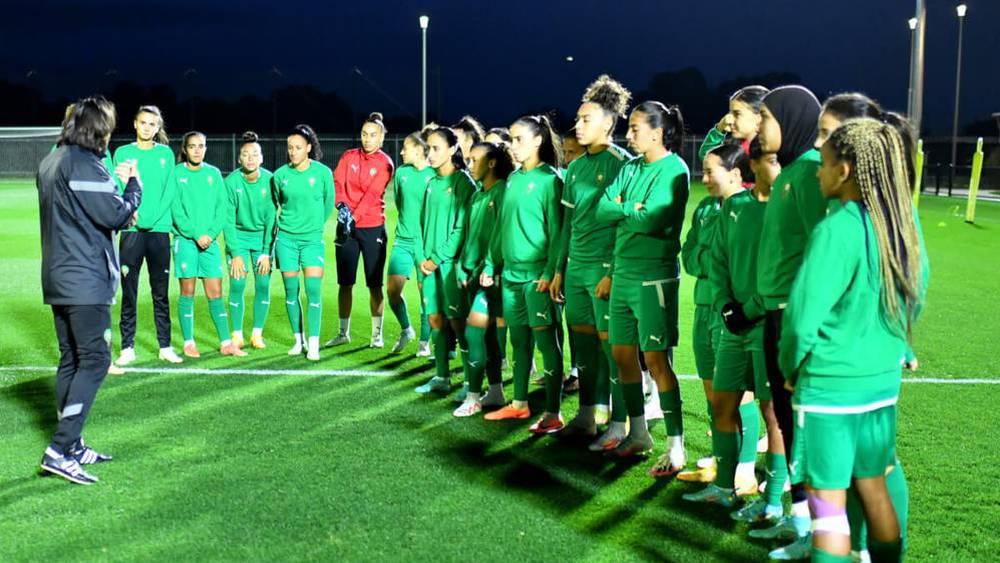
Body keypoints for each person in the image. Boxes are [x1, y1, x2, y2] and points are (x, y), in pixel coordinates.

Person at [782, 118, 927, 563]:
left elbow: (801, 319)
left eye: (824, 163)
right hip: (881, 385)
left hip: (831, 387)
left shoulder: (836, 229)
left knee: (828, 505)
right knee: (874, 485)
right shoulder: (900, 225)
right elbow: (916, 295)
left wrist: (791, 368)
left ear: (845, 172)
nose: (817, 172)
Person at [37, 96, 141, 484]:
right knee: (95, 361)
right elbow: (116, 214)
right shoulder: (84, 162)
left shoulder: (51, 161)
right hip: (85, 279)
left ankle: (73, 444)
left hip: (58, 276)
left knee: (71, 359)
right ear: (98, 129)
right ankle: (59, 449)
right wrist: (133, 185)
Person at [682, 143, 786, 510]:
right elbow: (719, 261)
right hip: (732, 325)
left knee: (773, 415)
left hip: (766, 325)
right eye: (768, 160)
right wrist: (726, 305)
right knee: (723, 404)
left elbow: (782, 270)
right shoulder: (734, 207)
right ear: (752, 165)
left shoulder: (786, 209)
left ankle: (772, 501)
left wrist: (751, 309)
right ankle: (724, 487)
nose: (775, 167)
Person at [595, 101, 689, 477]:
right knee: (622, 355)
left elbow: (652, 220)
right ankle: (638, 433)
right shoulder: (630, 167)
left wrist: (624, 210)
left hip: (654, 276)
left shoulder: (676, 169)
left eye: (635, 128)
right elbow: (602, 209)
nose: (628, 134)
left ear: (657, 132)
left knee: (656, 360)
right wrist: (630, 209)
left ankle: (676, 445)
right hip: (623, 274)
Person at [751, 84, 824, 559]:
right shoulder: (790, 172)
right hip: (776, 314)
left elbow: (824, 250)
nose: (760, 128)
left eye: (767, 119)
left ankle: (827, 532)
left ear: (792, 120)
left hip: (797, 317)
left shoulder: (813, 172)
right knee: (791, 426)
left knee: (808, 431)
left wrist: (805, 321)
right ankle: (803, 522)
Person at [549, 74, 632, 450]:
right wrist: (558, 269)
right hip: (576, 269)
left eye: (586, 119)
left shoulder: (623, 165)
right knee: (582, 347)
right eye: (578, 119)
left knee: (612, 350)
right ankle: (587, 416)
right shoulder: (576, 168)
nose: (578, 125)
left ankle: (619, 423)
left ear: (609, 123)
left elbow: (626, 225)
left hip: (603, 270)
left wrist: (613, 271)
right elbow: (567, 224)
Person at [481, 115, 565, 434]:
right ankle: (518, 404)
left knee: (547, 344)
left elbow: (558, 233)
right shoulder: (513, 180)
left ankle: (554, 413)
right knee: (518, 342)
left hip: (537, 278)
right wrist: (491, 264)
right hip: (511, 277)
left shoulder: (550, 180)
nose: (512, 146)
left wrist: (550, 271)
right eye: (511, 139)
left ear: (538, 141)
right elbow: (501, 227)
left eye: (518, 139)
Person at [113, 105, 183, 366]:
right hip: (131, 231)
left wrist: (151, 219)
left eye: (152, 124)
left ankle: (165, 346)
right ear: (135, 124)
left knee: (160, 293)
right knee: (129, 292)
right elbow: (119, 187)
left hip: (159, 231)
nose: (147, 127)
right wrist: (134, 215)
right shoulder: (123, 153)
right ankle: (127, 347)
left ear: (158, 127)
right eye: (143, 122)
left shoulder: (165, 153)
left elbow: (170, 191)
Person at [413, 127, 476, 394]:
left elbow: (462, 229)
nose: (431, 153)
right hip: (428, 266)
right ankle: (441, 377)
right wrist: (421, 258)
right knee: (435, 320)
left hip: (450, 267)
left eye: (436, 148)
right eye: (428, 148)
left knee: (459, 324)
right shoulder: (430, 183)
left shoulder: (463, 183)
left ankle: (470, 383)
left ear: (452, 149)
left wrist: (437, 258)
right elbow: (420, 224)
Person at [170, 132, 245, 358]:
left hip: (209, 243)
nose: (197, 150)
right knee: (188, 292)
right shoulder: (176, 173)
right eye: (192, 146)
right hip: (185, 241)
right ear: (185, 149)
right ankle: (189, 342)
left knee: (215, 293)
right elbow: (176, 209)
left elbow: (222, 210)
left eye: (201, 146)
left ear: (206, 148)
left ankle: (226, 343)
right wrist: (195, 234)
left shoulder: (213, 173)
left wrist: (210, 235)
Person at [453, 141, 512, 416]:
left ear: (491, 163)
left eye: (474, 159)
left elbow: (500, 237)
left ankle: (473, 396)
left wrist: (485, 268)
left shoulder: (502, 192)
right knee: (487, 336)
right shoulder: (478, 194)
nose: (469, 164)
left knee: (473, 332)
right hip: (472, 274)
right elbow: (468, 235)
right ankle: (496, 391)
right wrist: (460, 266)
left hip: (491, 277)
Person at [327, 112, 395, 348]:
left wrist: (352, 217)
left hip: (372, 228)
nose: (367, 139)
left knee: (374, 285)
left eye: (373, 135)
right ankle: (342, 333)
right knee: (345, 283)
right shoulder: (349, 156)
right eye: (364, 134)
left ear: (382, 138)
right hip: (347, 228)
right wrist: (342, 207)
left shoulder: (385, 163)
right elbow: (337, 183)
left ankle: (376, 335)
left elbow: (372, 195)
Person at [272, 124, 335, 361]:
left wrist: (314, 226)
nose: (293, 152)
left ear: (309, 148)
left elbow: (328, 203)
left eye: (298, 147)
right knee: (291, 291)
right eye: (290, 147)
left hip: (312, 241)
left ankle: (314, 344)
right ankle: (298, 341)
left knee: (313, 290)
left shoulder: (323, 173)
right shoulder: (280, 176)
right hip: (286, 241)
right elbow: (277, 204)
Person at [385, 130, 436, 355]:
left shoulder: (434, 175)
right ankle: (406, 329)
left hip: (425, 244)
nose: (401, 152)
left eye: (405, 147)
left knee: (426, 295)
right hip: (403, 241)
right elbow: (400, 202)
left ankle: (424, 342)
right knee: (392, 291)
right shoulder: (401, 173)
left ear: (418, 150)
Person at [224, 131, 275, 350]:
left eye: (255, 154)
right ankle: (236, 334)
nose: (250, 158)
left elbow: (272, 219)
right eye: (246, 154)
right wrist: (235, 253)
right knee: (237, 284)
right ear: (239, 158)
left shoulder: (270, 180)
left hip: (262, 240)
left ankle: (257, 334)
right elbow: (227, 221)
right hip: (239, 239)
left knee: (263, 285)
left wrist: (266, 252)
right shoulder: (231, 182)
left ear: (261, 158)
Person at [698, 85, 769, 161]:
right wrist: (719, 129)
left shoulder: (772, 152)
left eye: (737, 114)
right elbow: (708, 158)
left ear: (760, 117)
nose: (729, 120)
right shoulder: (735, 150)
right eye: (730, 113)